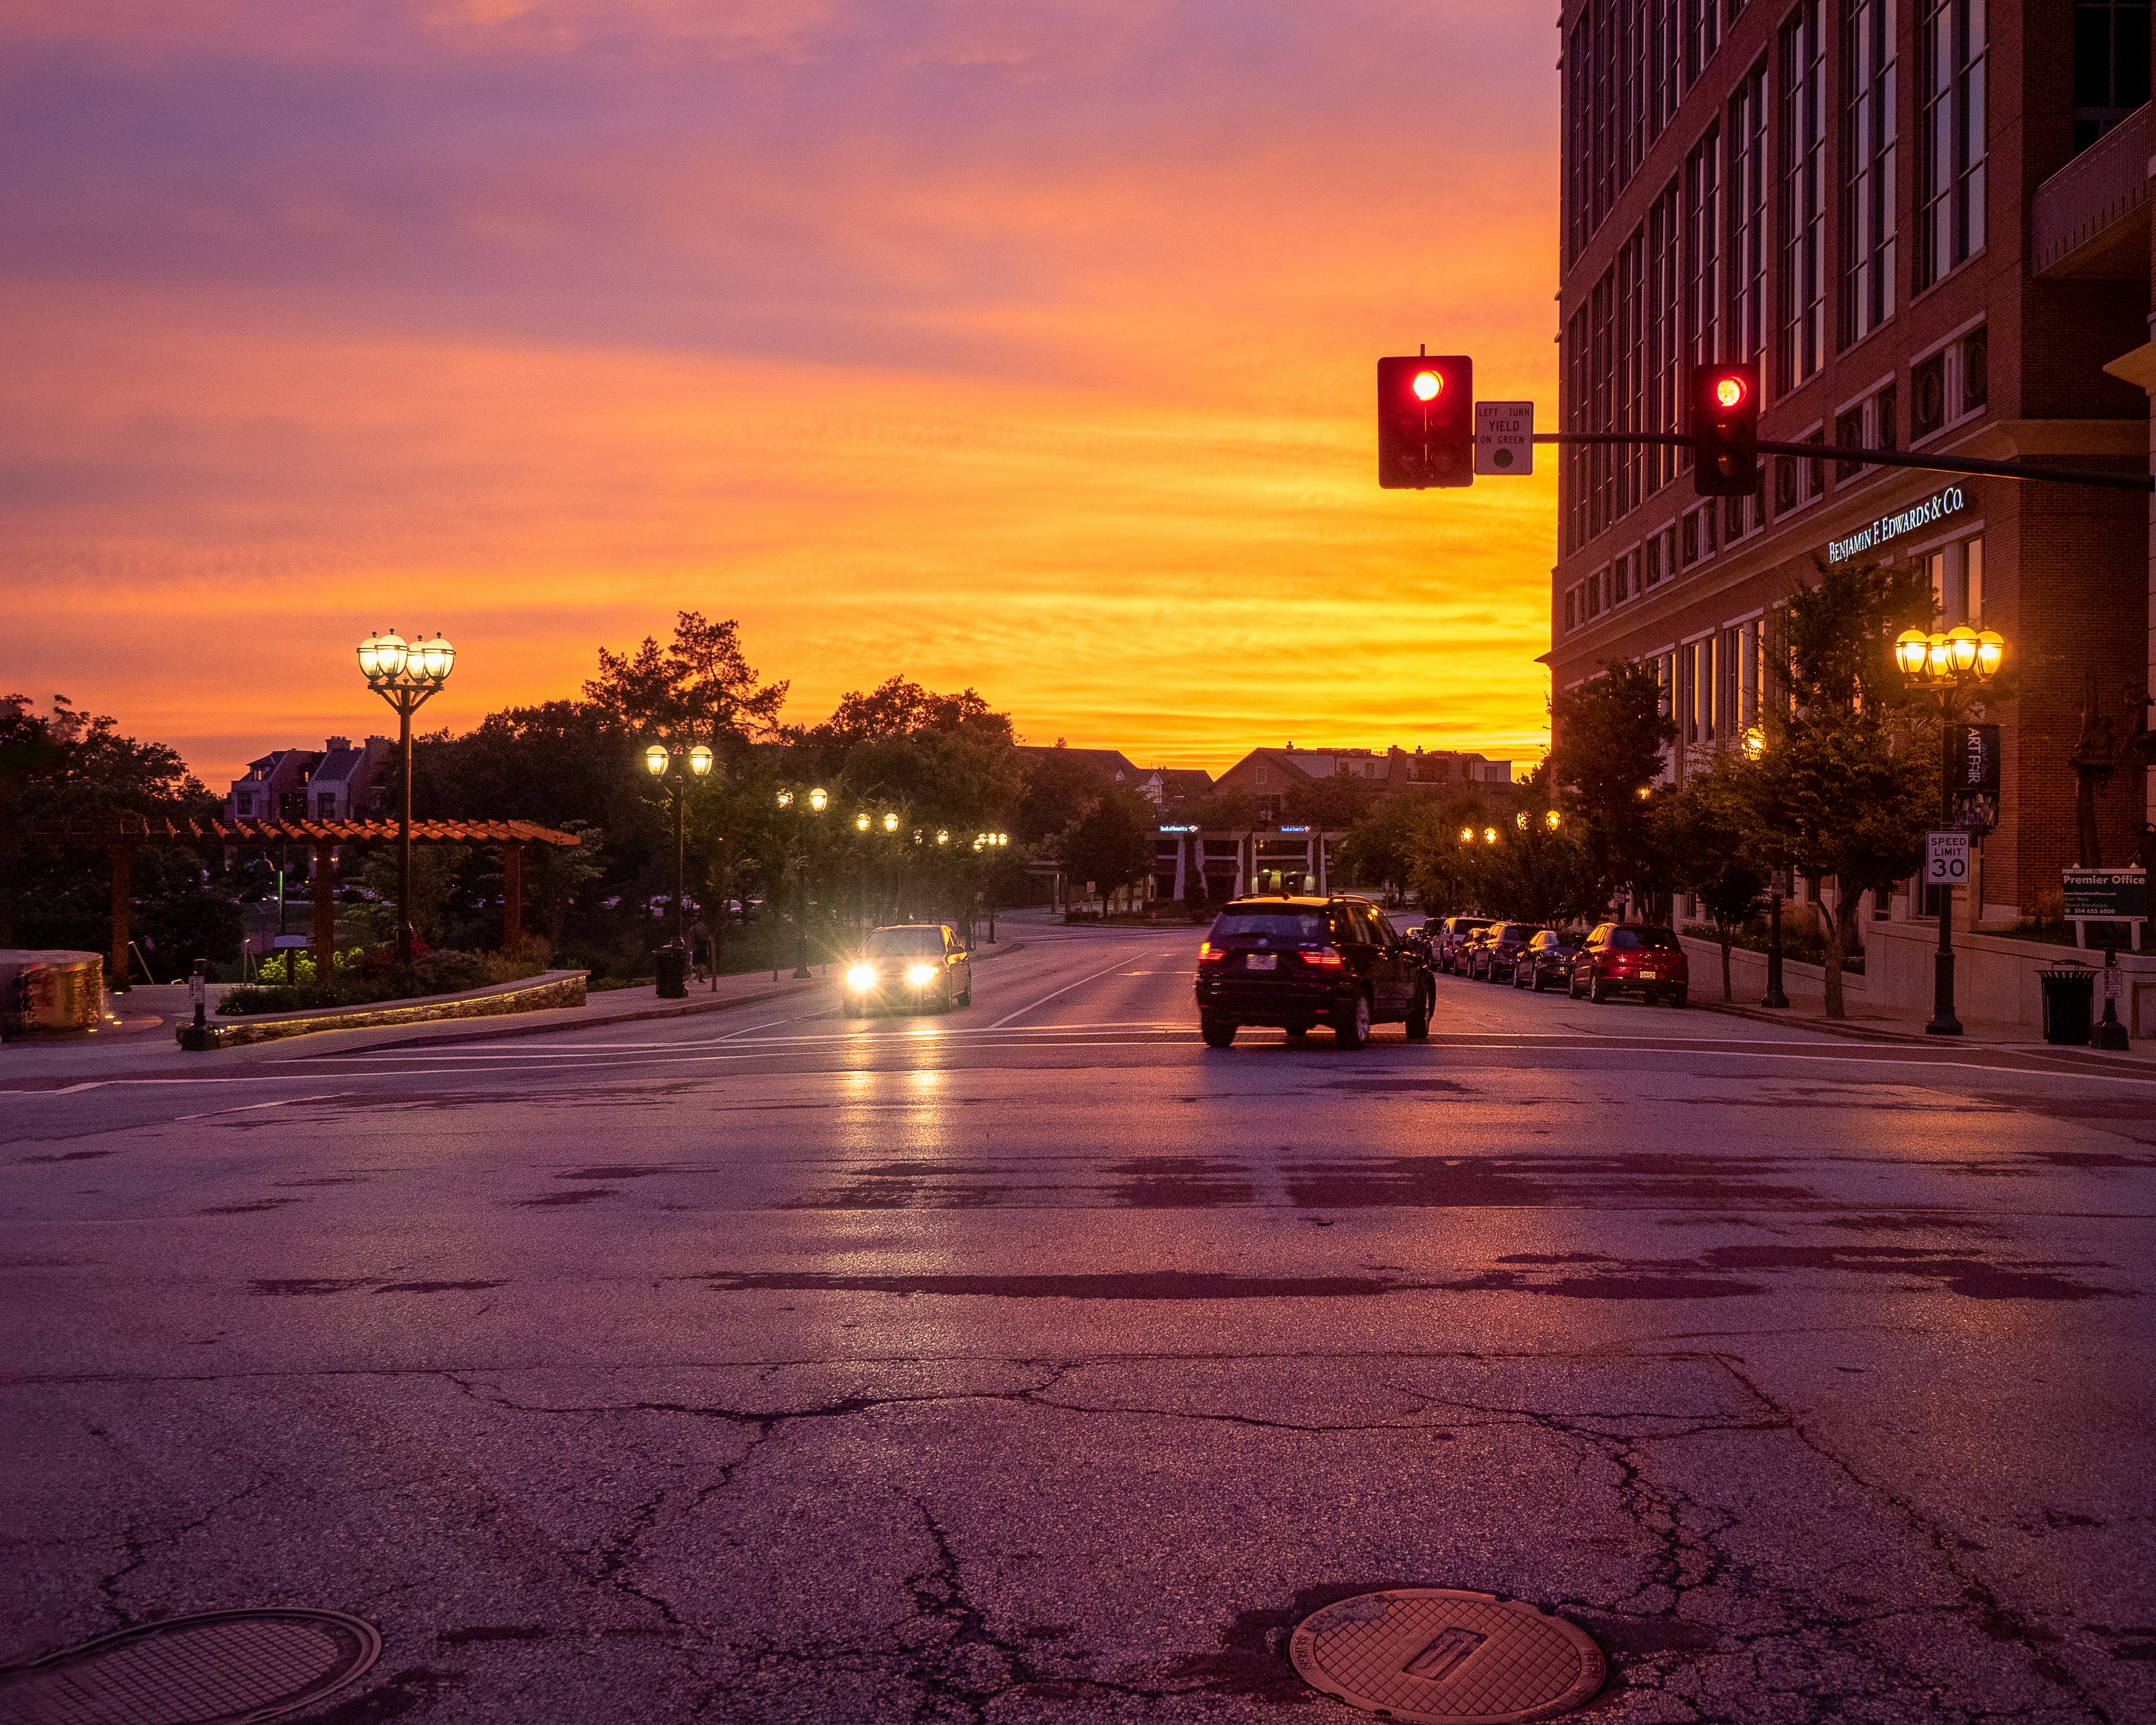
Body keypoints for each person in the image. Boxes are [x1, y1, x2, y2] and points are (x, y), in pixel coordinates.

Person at [688, 915, 711, 983]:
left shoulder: (693, 928)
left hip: (696, 948)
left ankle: (694, 972)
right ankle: (701, 977)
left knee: (695, 962)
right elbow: (708, 938)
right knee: (703, 963)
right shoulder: (706, 928)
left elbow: (690, 938)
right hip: (704, 948)